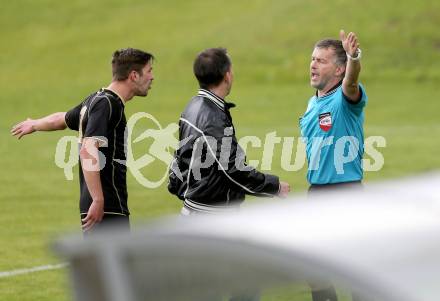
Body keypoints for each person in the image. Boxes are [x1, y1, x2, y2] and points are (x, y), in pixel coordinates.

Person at [11, 48, 154, 234]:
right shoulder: (107, 104)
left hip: (99, 205)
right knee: (112, 263)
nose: (152, 77)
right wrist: (98, 200)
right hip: (106, 207)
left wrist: (35, 124)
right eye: (149, 70)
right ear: (134, 75)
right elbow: (88, 149)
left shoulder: (95, 99)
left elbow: (61, 119)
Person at [168, 47, 290, 215]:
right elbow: (233, 169)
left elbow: (178, 159)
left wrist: (181, 189)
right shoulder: (213, 119)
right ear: (227, 75)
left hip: (195, 209)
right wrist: (274, 186)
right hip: (210, 217)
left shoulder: (192, 106)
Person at [299, 30, 367, 301]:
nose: (313, 64)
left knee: (355, 269)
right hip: (317, 193)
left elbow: (352, 82)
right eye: (312, 59)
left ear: (339, 70)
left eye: (321, 61)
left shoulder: (345, 98)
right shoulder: (312, 102)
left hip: (346, 193)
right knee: (315, 269)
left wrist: (354, 57)